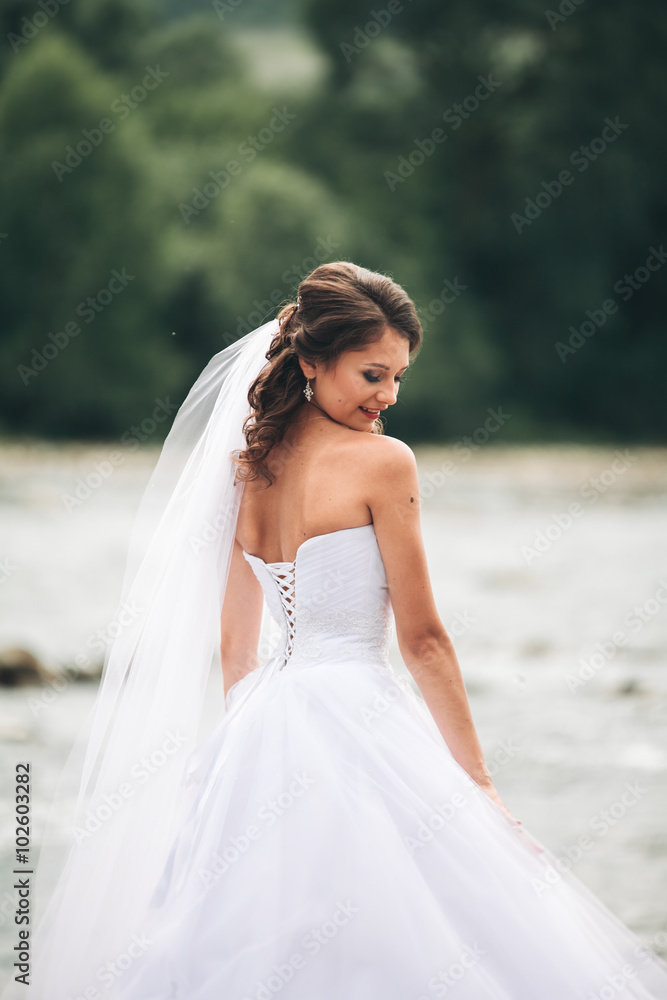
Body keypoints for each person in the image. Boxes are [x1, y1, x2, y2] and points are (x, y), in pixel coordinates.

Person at [14, 263, 667, 1000]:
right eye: (371, 374)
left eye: (398, 378)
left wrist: (249, 751)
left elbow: (235, 650)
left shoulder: (245, 470)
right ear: (309, 362)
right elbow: (422, 641)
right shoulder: (384, 464)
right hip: (359, 709)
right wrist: (477, 783)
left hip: (262, 722)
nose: (387, 396)